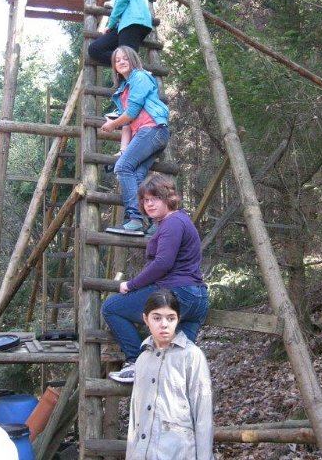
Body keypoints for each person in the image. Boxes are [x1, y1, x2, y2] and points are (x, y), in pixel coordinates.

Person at [102, 174, 210, 382]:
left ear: (168, 198)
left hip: (178, 295)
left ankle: (136, 363)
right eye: (145, 200)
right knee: (176, 365)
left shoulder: (172, 223)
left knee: (112, 308)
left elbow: (163, 263)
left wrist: (131, 285)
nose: (149, 204)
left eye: (155, 198)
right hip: (198, 299)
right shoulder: (180, 220)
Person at [126, 289, 214, 460]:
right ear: (146, 319)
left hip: (179, 453)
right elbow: (135, 417)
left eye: (170, 318)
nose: (164, 324)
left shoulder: (192, 356)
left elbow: (203, 415)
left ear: (178, 319)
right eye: (157, 318)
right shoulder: (142, 360)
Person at [100, 47, 170, 235]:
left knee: (122, 168)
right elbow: (128, 124)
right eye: (117, 60)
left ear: (133, 60)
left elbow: (131, 113)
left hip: (153, 130)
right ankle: (156, 222)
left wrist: (111, 125)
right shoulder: (124, 88)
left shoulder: (139, 77)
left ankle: (135, 219)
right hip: (147, 133)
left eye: (125, 58)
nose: (121, 62)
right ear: (114, 67)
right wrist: (123, 150)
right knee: (137, 176)